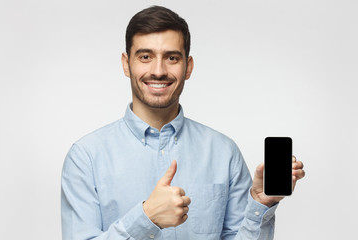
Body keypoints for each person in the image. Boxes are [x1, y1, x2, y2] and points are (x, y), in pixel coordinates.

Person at [61, 5, 305, 240]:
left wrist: (261, 203)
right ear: (127, 64)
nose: (158, 70)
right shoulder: (86, 157)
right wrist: (146, 218)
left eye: (172, 57)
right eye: (145, 56)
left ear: (188, 67)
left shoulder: (223, 152)